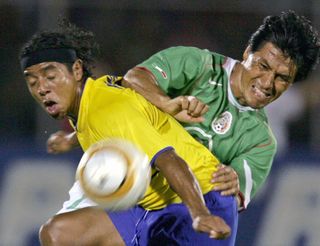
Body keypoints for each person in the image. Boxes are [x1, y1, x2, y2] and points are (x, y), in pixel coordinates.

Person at [47, 10, 320, 210]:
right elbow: (134, 80)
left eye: (282, 78)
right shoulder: (198, 65)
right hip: (124, 177)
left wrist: (231, 181)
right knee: (58, 235)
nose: (267, 83)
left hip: (169, 210)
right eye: (262, 66)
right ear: (248, 51)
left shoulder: (261, 142)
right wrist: (167, 103)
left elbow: (232, 200)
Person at [20, 20, 238, 245]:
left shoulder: (107, 109)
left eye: (50, 76)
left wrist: (200, 213)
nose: (42, 88)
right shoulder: (93, 97)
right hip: (152, 207)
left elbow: (169, 160)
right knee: (58, 234)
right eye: (32, 81)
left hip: (199, 199)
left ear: (76, 70)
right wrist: (70, 140)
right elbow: (115, 129)